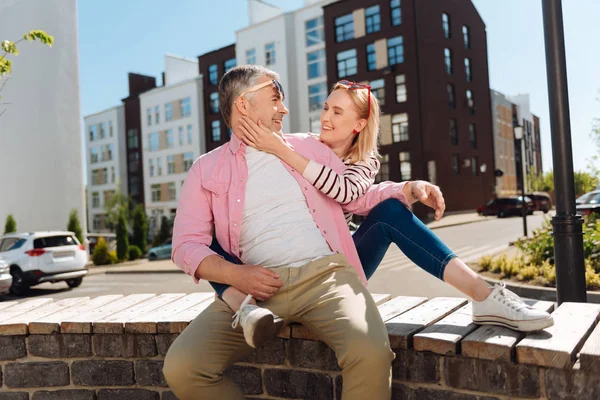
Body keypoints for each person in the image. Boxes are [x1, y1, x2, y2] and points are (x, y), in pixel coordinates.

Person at [215, 79, 553, 343]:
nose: (326, 118)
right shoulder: (303, 145)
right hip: (285, 265)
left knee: (390, 213)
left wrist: (403, 190)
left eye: (338, 112)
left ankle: (485, 295)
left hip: (336, 264)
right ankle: (241, 304)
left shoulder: (363, 161)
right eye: (326, 107)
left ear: (359, 125)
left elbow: (349, 194)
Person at [163, 65, 413, 400]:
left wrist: (407, 188)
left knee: (371, 353)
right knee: (182, 367)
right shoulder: (205, 169)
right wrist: (236, 275)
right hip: (253, 293)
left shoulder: (307, 146)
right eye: (275, 98)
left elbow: (352, 196)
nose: (285, 109)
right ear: (244, 104)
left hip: (326, 278)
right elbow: (185, 245)